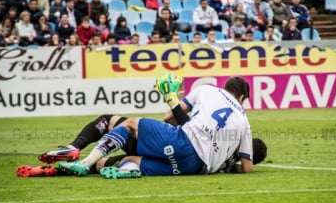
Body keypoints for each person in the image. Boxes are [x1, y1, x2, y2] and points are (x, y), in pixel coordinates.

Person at [59, 74, 255, 176]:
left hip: (182, 142)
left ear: (227, 87)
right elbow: (247, 168)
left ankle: (84, 161)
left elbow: (169, 116)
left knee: (130, 124)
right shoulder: (244, 121)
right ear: (241, 97)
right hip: (195, 167)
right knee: (131, 159)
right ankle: (127, 169)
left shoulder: (207, 89)